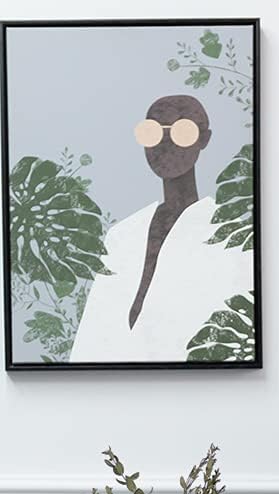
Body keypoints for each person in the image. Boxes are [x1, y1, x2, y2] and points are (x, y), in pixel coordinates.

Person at [70, 94, 252, 363]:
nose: (165, 143)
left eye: (183, 132)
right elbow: (92, 335)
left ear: (204, 139)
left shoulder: (230, 236)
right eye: (151, 132)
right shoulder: (122, 235)